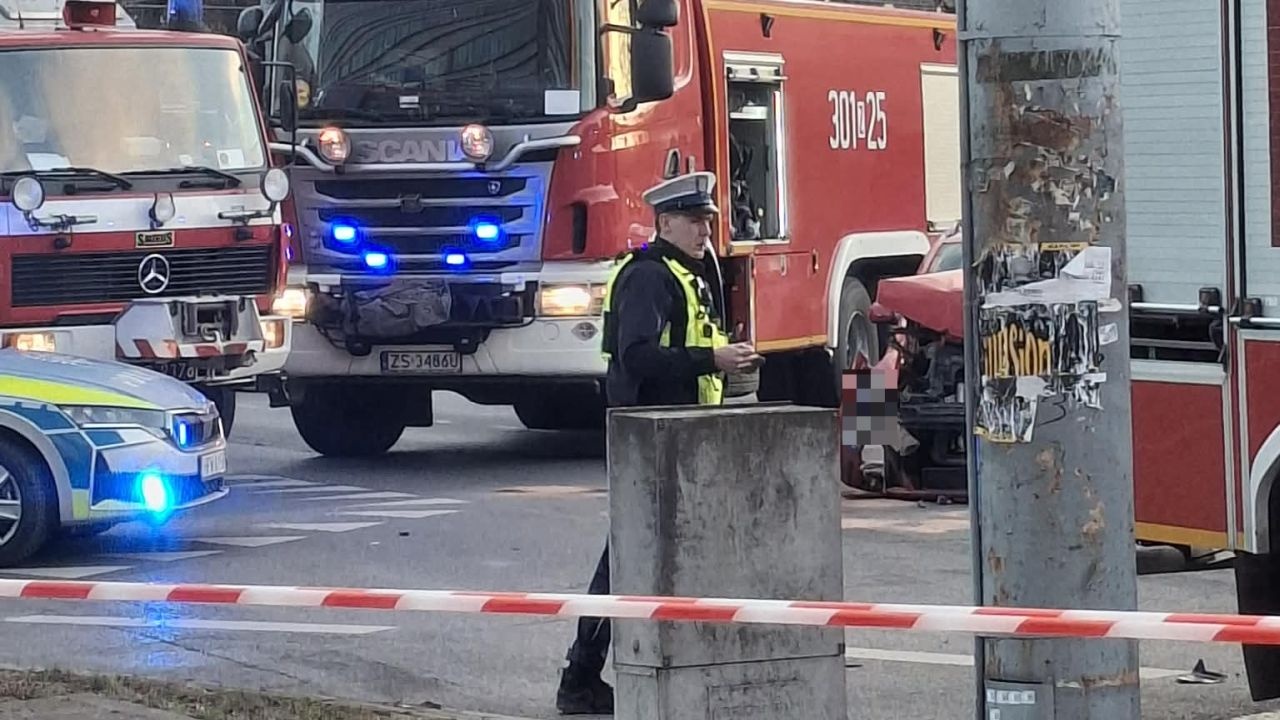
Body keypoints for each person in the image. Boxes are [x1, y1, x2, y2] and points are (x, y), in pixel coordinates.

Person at [554, 171, 763, 715]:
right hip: (651, 439)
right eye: (694, 222)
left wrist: (723, 360)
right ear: (664, 222)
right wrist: (711, 359)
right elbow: (638, 356)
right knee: (625, 560)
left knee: (661, 557)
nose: (704, 231)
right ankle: (580, 676)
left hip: (687, 436)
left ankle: (657, 668)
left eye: (709, 222)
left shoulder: (689, 271)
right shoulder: (648, 277)